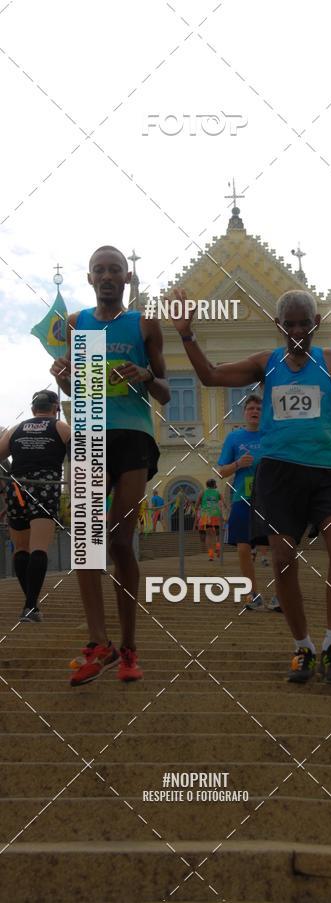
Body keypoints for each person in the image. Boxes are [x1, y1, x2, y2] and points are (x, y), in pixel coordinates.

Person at [171, 288, 331, 685]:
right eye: (291, 324)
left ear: (316, 324)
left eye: (305, 323)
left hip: (327, 472)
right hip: (279, 473)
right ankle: (303, 646)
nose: (298, 330)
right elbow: (210, 376)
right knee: (282, 559)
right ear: (279, 325)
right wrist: (187, 335)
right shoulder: (266, 364)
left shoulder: (329, 361)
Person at [50, 245, 170, 686]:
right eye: (99, 270)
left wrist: (144, 376)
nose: (106, 276)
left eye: (114, 270)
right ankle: (99, 643)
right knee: (85, 539)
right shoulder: (79, 324)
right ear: (89, 278)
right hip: (88, 432)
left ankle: (130, 646)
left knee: (120, 539)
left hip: (133, 436)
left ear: (125, 278)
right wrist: (62, 373)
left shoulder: (143, 324)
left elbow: (166, 391)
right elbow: (77, 384)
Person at [0, 390, 70, 622]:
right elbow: (82, 451)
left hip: (16, 487)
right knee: (39, 546)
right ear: (55, 408)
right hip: (45, 484)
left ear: (33, 409)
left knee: (21, 547)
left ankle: (31, 604)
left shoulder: (15, 429)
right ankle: (30, 606)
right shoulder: (59, 427)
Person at [216, 393, 281, 612]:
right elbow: (221, 471)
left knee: (278, 547)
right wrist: (238, 464)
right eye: (251, 408)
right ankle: (252, 593)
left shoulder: (272, 435)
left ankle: (281, 594)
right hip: (242, 498)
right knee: (243, 547)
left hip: (270, 499)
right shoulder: (234, 438)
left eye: (259, 409)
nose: (255, 411)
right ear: (244, 413)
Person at [196, 479, 222, 561]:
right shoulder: (218, 493)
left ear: (207, 485)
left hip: (206, 515)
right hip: (215, 514)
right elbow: (223, 503)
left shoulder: (202, 493)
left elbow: (197, 505)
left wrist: (197, 507)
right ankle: (218, 547)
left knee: (209, 535)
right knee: (217, 534)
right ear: (214, 485)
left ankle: (211, 555)